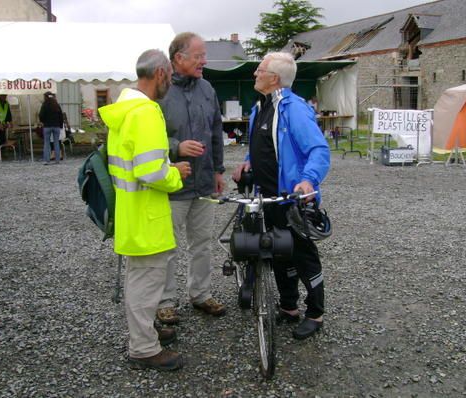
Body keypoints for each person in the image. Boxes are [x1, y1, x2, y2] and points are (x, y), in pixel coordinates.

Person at [98, 49, 191, 371]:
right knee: (146, 283)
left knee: (141, 279)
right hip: (148, 217)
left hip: (131, 213)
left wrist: (166, 166)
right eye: (171, 77)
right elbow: (150, 172)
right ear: (162, 74)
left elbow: (138, 162)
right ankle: (144, 348)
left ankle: (147, 333)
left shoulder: (125, 110)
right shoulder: (147, 112)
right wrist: (175, 175)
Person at [232, 52, 330, 340]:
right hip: (266, 199)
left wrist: (308, 181)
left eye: (259, 70)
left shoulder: (294, 109)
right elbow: (261, 146)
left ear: (274, 78)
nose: (255, 74)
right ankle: (289, 307)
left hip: (292, 200)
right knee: (277, 255)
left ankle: (316, 313)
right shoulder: (259, 108)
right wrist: (248, 162)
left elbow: (319, 150)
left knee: (303, 256)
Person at [156, 32, 226, 324]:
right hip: (173, 183)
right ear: (178, 58)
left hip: (204, 181)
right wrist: (176, 148)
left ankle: (200, 294)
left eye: (204, 55)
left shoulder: (207, 89)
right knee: (167, 246)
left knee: (202, 243)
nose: (204, 61)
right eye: (198, 56)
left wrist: (219, 170)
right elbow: (148, 137)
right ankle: (164, 301)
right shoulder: (159, 91)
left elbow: (215, 131)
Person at [38, 92, 64, 165]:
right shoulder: (56, 105)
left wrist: (43, 121)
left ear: (45, 97)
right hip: (56, 126)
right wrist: (60, 125)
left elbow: (41, 115)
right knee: (56, 142)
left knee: (46, 143)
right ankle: (57, 160)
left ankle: (46, 160)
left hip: (47, 126)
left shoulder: (44, 105)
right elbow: (61, 116)